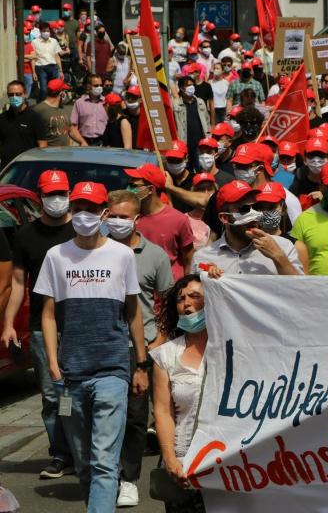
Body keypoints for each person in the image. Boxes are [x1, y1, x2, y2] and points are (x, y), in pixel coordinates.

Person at [35, 181, 149, 513]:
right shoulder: (56, 256)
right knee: (84, 462)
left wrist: (139, 362)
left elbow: (133, 312)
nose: (84, 215)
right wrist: (53, 363)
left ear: (103, 213)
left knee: (103, 460)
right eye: (79, 207)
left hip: (112, 369)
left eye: (91, 208)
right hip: (70, 375)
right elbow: (48, 313)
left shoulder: (122, 254)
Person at [1, 170, 75, 480]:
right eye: (51, 194)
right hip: (40, 328)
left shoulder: (80, 231)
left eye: (62, 193)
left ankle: (81, 450)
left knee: (78, 393)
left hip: (79, 325)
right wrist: (8, 325)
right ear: (41, 196)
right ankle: (59, 454)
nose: (57, 199)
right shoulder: (25, 236)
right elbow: (18, 283)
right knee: (51, 395)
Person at [105, 190, 174, 507]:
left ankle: (128, 478)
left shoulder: (155, 255)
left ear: (136, 219)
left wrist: (158, 339)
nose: (117, 222)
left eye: (123, 216)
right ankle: (102, 472)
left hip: (140, 345)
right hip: (102, 342)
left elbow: (167, 303)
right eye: (112, 215)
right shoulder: (95, 250)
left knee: (134, 416)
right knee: (100, 415)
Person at [150, 274, 207, 513]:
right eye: (180, 299)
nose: (186, 303)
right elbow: (163, 411)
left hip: (225, 461)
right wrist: (170, 459)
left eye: (195, 296)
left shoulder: (232, 349)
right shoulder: (165, 355)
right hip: (183, 463)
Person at [194, 180, 302, 276]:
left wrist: (279, 258)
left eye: (256, 207)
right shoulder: (203, 258)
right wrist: (209, 283)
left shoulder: (283, 247)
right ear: (224, 217)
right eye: (244, 209)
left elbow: (301, 291)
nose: (253, 214)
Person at [126, 164, 195, 280]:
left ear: (150, 189)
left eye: (133, 185)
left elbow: (188, 260)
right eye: (128, 184)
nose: (128, 189)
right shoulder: (127, 217)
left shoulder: (179, 220)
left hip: (168, 290)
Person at [0, 80, 47, 166]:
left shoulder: (34, 117)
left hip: (27, 167)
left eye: (18, 94)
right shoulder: (2, 118)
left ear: (24, 94)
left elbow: (42, 144)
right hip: (7, 167)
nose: (14, 97)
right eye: (11, 95)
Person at [33, 78, 76, 147]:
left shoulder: (62, 108)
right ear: (61, 93)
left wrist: (82, 142)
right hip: (50, 155)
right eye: (65, 91)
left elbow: (70, 128)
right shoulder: (38, 109)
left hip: (66, 154)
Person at [69, 74, 107, 146]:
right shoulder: (79, 103)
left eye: (100, 85)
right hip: (84, 141)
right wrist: (82, 142)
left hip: (102, 142)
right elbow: (73, 127)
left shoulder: (106, 102)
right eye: (96, 85)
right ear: (88, 87)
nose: (99, 87)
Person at [32, 21, 64, 102]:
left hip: (53, 67)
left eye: (47, 31)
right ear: (40, 31)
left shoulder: (54, 41)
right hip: (41, 67)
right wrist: (34, 72)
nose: (46, 33)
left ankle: (53, 103)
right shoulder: (35, 42)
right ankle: (40, 104)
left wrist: (61, 71)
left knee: (54, 88)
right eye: (44, 31)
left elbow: (57, 56)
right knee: (44, 89)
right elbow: (33, 58)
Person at [164, 141, 195, 212]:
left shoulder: (195, 180)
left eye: (177, 160)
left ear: (186, 158)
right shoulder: (164, 179)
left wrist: (170, 187)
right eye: (170, 160)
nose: (174, 164)